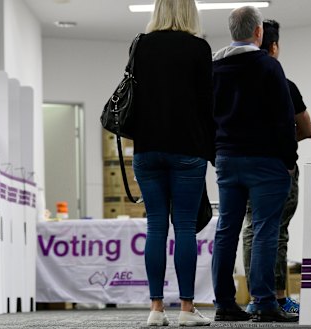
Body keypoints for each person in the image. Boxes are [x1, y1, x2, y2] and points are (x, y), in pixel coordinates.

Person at [211, 6, 298, 323]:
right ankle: (263, 302)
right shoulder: (267, 66)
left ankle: (224, 302)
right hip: (265, 162)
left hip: (227, 159)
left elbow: (208, 117)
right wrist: (289, 161)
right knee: (264, 231)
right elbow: (284, 118)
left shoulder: (215, 67)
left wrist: (216, 153)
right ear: (259, 33)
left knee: (226, 231)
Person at [129, 0, 214, 326]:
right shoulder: (198, 47)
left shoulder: (141, 45)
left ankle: (155, 309)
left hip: (146, 150)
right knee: (185, 229)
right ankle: (186, 309)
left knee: (155, 227)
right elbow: (207, 104)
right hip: (186, 150)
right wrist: (212, 151)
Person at [242, 19, 311, 315]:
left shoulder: (236, 83)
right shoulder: (284, 84)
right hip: (278, 169)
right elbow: (307, 128)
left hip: (243, 167)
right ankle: (279, 298)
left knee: (251, 231)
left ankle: (255, 298)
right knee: (276, 231)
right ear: (273, 47)